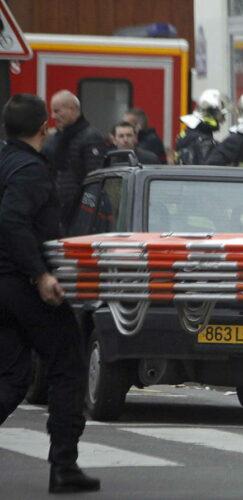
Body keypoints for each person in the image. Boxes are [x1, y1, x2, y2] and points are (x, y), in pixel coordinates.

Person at [0, 94, 100, 493]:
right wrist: (41, 274)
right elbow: (11, 219)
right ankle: (64, 466)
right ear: (45, 127)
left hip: (4, 287)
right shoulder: (29, 169)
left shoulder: (6, 161)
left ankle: (65, 466)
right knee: (68, 365)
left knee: (10, 379)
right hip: (24, 286)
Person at [41, 89, 106, 228]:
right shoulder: (59, 137)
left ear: (72, 109)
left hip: (80, 213)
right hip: (62, 211)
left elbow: (95, 180)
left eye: (57, 111)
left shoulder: (91, 137)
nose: (53, 116)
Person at [176, 88, 228, 165]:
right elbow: (206, 173)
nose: (223, 120)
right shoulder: (203, 141)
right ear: (211, 113)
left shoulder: (190, 133)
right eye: (222, 115)